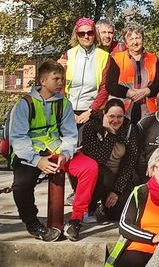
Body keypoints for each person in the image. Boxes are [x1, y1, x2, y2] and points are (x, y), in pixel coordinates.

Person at [10, 59, 79, 242]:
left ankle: (76, 220)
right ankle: (32, 224)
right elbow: (18, 137)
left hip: (56, 150)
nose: (60, 83)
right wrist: (36, 161)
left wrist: (65, 153)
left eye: (62, 79)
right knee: (22, 184)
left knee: (85, 168)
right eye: (56, 79)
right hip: (30, 153)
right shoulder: (25, 104)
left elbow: (70, 134)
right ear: (42, 81)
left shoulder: (64, 104)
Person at [105, 147, 159, 266]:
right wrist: (153, 237)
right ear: (153, 169)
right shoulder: (140, 192)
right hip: (139, 247)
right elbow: (124, 225)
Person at [77, 99, 143, 222]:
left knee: (118, 215)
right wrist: (111, 134)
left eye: (120, 117)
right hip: (97, 177)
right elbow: (97, 161)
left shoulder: (129, 128)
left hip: (119, 177)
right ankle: (89, 207)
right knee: (103, 175)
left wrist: (116, 191)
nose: (116, 120)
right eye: (111, 116)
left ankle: (104, 208)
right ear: (104, 114)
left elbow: (130, 162)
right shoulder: (91, 127)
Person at [60, 18, 118, 141]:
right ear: (76, 35)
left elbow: (104, 88)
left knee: (85, 150)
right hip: (67, 111)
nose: (86, 36)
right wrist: (68, 111)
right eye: (82, 33)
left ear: (94, 34)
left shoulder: (104, 57)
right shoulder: (68, 55)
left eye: (90, 33)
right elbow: (59, 85)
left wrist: (90, 112)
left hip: (91, 111)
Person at [103, 23, 159, 124]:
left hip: (148, 110)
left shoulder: (153, 58)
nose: (135, 42)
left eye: (138, 38)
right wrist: (129, 93)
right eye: (131, 39)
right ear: (126, 43)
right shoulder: (117, 58)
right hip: (123, 111)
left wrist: (147, 91)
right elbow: (110, 84)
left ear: (142, 39)